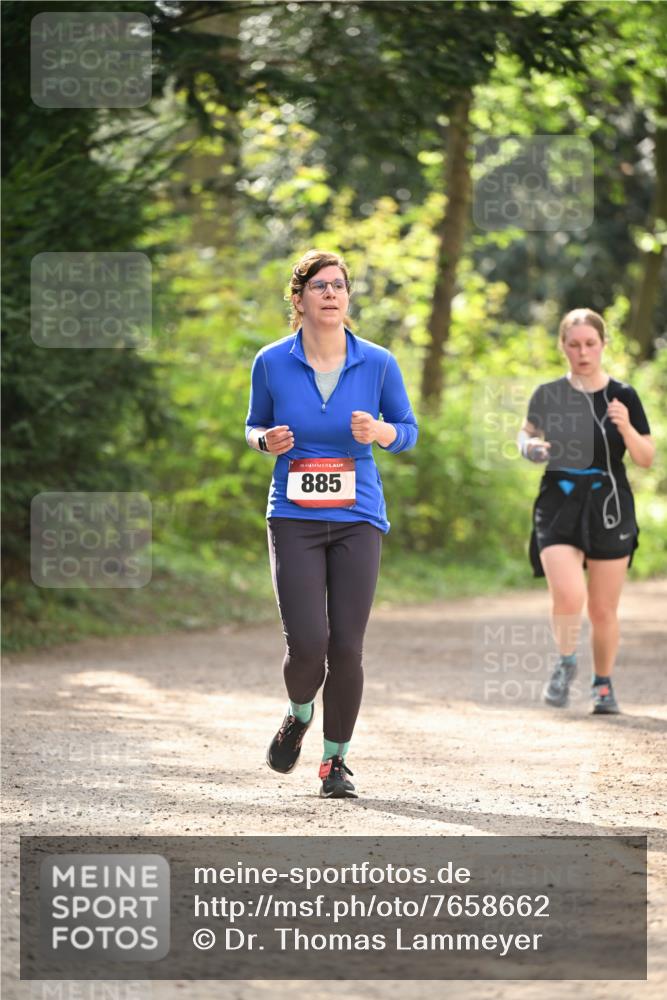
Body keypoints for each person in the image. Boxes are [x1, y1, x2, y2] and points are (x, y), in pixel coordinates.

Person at [245, 249, 418, 798]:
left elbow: (408, 430)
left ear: (347, 297)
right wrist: (265, 440)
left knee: (346, 647)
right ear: (298, 299)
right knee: (307, 647)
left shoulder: (378, 362)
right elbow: (253, 425)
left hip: (357, 517)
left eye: (339, 285)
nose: (330, 293)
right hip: (293, 516)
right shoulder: (272, 361)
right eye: (319, 286)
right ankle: (298, 714)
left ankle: (334, 761)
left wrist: (381, 433)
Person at [518, 308, 654, 715]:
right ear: (563, 346)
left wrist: (625, 426)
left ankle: (603, 685)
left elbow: (646, 457)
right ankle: (565, 661)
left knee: (601, 609)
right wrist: (530, 447)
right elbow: (526, 435)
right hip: (558, 503)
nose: (582, 352)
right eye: (574, 344)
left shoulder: (625, 395)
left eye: (590, 344)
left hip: (609, 506)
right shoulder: (548, 394)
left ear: (603, 345)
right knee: (569, 594)